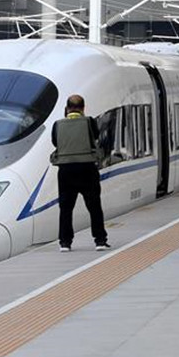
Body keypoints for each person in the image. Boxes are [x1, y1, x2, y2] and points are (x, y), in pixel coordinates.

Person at [51, 94, 109, 252]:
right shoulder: (89, 121)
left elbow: (56, 142)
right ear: (83, 108)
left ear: (66, 109)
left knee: (66, 208)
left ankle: (65, 242)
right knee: (94, 206)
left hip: (66, 171)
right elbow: (95, 137)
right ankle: (100, 240)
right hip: (87, 168)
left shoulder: (57, 125)